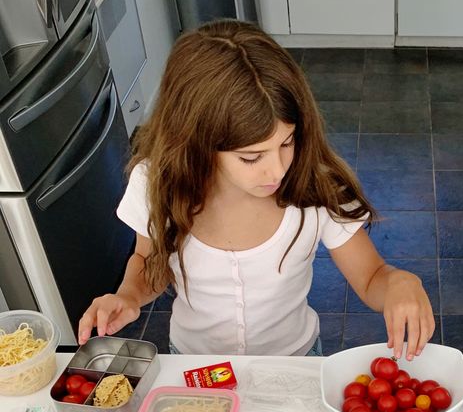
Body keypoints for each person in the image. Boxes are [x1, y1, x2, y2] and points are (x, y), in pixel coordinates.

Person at [78, 20, 434, 359]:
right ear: (197, 142)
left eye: (288, 142)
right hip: (196, 365)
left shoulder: (315, 186)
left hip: (294, 361)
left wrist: (401, 283)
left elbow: (371, 277)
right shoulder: (157, 182)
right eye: (251, 157)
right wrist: (127, 295)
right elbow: (147, 260)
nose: (277, 169)